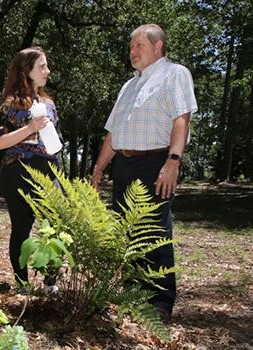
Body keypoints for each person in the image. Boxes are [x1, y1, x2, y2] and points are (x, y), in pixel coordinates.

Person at [91, 24, 197, 323]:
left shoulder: (175, 73)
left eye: (139, 45)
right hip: (124, 165)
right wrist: (99, 168)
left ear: (158, 46)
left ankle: (161, 301)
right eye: (131, 47)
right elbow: (114, 132)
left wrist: (173, 161)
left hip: (156, 162)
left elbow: (181, 118)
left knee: (155, 230)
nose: (133, 52)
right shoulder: (129, 86)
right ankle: (132, 294)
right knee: (127, 231)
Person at [0, 46, 61, 294]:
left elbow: (56, 142)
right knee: (22, 228)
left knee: (55, 225)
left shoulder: (50, 104)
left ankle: (50, 282)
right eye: (42, 66)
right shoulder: (9, 104)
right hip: (17, 171)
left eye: (46, 65)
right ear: (27, 70)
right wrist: (30, 128)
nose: (48, 71)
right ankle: (22, 285)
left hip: (47, 170)